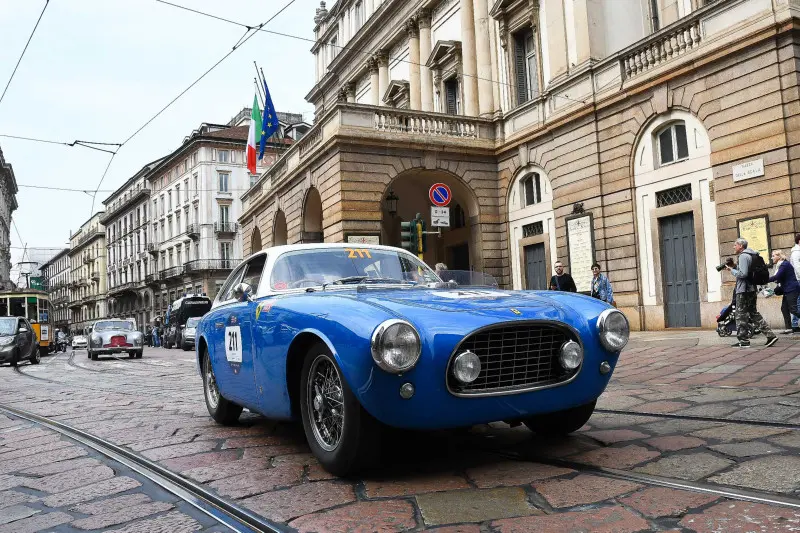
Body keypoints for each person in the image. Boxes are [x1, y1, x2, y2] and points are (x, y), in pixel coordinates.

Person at [726, 238, 777, 348]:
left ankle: (743, 341)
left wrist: (732, 271)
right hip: (751, 289)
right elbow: (747, 271)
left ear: (740, 245)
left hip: (743, 290)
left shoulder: (743, 256)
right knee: (753, 313)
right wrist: (734, 266)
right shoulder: (751, 254)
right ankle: (771, 336)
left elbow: (743, 274)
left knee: (740, 315)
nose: (733, 247)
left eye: (735, 245)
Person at [769, 250, 799, 334]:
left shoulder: (784, 264)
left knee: (793, 309)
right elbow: (780, 279)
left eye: (774, 255)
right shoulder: (780, 265)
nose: (772, 258)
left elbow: (777, 276)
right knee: (784, 308)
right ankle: (789, 328)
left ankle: (789, 328)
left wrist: (765, 280)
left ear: (779, 256)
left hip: (792, 289)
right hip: (787, 289)